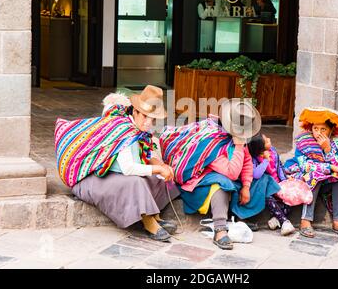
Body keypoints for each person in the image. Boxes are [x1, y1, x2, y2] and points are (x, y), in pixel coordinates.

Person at [55, 85, 180, 242]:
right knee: (135, 182)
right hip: (90, 180)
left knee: (158, 179)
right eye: (145, 116)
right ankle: (148, 223)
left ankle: (154, 215)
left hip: (114, 176)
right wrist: (157, 169)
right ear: (135, 111)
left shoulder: (140, 131)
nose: (148, 122)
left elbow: (147, 154)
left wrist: (161, 167)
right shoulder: (123, 129)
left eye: (152, 119)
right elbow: (128, 168)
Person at [160, 99, 260, 250]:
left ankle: (240, 216)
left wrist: (246, 186)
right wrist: (239, 145)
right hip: (199, 184)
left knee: (262, 180)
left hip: (226, 178)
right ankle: (220, 229)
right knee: (222, 184)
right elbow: (232, 173)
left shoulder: (234, 139)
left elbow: (246, 163)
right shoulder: (213, 142)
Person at [284, 107, 338, 238]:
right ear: (311, 128)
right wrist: (330, 168)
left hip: (327, 182)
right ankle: (305, 220)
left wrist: (327, 149)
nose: (318, 133)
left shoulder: (337, 143)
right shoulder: (304, 141)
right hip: (308, 179)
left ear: (331, 130)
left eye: (323, 129)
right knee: (314, 175)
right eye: (315, 128)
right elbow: (305, 166)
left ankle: (337, 221)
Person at [231, 133, 295, 236]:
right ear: (260, 149)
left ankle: (277, 219)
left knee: (290, 197)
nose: (269, 139)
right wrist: (265, 160)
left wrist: (285, 178)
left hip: (277, 183)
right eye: (266, 141)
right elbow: (256, 174)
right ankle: (284, 221)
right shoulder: (255, 158)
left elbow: (279, 166)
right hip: (260, 185)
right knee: (267, 193)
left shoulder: (273, 151)